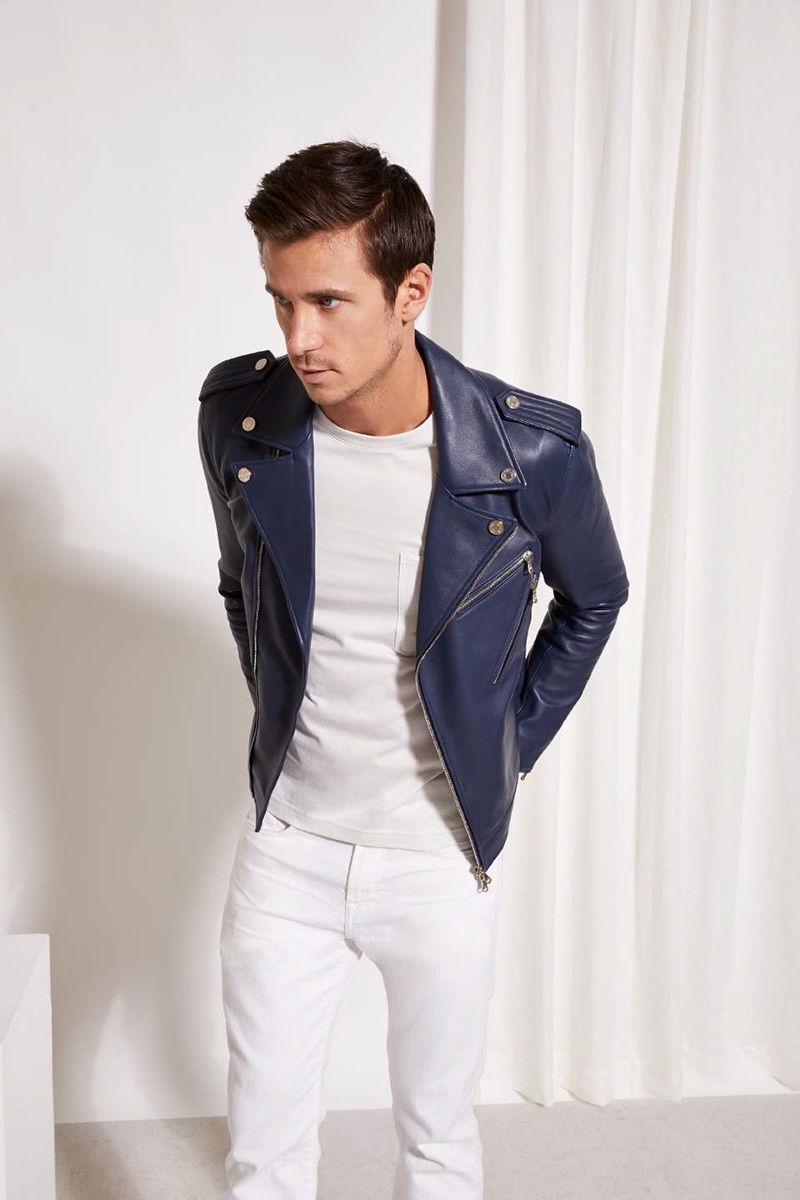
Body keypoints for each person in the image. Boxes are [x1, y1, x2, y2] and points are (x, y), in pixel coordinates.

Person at [197, 139, 629, 1200]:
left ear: (410, 294)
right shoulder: (239, 421)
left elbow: (594, 598)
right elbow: (243, 589)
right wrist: (286, 725)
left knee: (437, 1148)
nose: (299, 338)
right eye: (280, 301)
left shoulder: (531, 454)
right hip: (288, 851)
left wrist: (506, 746)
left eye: (328, 302)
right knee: (262, 1157)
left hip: (437, 855)